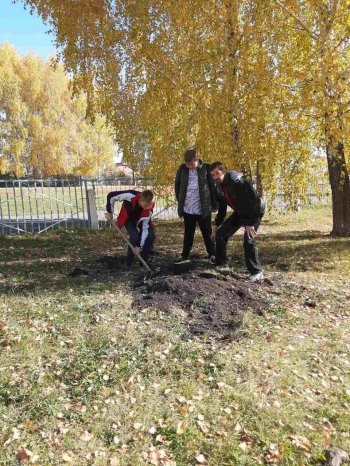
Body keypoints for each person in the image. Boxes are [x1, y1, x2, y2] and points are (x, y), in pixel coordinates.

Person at [210, 162, 265, 282]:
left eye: (217, 174)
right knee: (220, 234)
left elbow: (254, 200)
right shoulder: (218, 187)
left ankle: (257, 272)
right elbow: (222, 210)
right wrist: (215, 225)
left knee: (248, 240)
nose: (215, 177)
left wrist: (250, 224)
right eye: (213, 175)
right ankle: (222, 264)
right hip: (240, 211)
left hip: (255, 210)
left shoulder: (237, 181)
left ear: (224, 171)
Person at [175, 148, 218, 264]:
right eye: (187, 164)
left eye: (191, 164)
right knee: (188, 233)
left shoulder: (206, 168)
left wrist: (214, 204)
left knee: (207, 232)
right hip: (188, 208)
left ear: (197, 160)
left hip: (203, 208)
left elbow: (212, 187)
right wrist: (180, 201)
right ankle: (185, 255)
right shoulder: (182, 169)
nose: (189, 166)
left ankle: (212, 254)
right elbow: (177, 186)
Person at [105, 189, 155, 267]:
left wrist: (139, 246)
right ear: (141, 200)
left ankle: (143, 262)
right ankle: (128, 263)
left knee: (150, 236)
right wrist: (109, 212)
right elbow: (111, 196)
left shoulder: (148, 210)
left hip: (141, 219)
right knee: (135, 237)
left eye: (149, 205)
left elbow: (145, 229)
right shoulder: (130, 195)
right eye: (145, 205)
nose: (147, 207)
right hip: (129, 219)